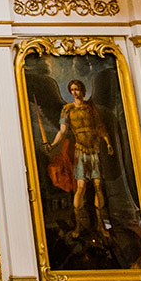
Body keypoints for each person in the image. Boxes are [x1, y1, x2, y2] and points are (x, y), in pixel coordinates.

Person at [46, 79, 112, 239]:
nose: (75, 92)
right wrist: (53, 144)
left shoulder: (91, 108)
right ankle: (78, 225)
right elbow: (62, 131)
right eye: (72, 90)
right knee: (81, 187)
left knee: (98, 186)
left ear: (82, 91)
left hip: (93, 149)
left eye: (77, 89)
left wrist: (108, 142)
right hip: (80, 150)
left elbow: (100, 127)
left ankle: (101, 225)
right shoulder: (67, 110)